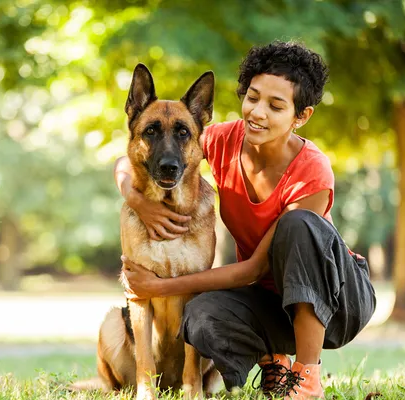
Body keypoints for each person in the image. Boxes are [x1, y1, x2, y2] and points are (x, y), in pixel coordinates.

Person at [114, 41, 376, 399]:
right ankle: (274, 363)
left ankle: (307, 377)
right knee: (201, 316)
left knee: (297, 225)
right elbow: (147, 155)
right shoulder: (223, 141)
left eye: (276, 105)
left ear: (301, 116)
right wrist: (136, 200)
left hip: (337, 301)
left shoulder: (312, 170)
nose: (258, 113)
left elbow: (253, 269)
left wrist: (157, 287)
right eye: (252, 97)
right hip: (271, 300)